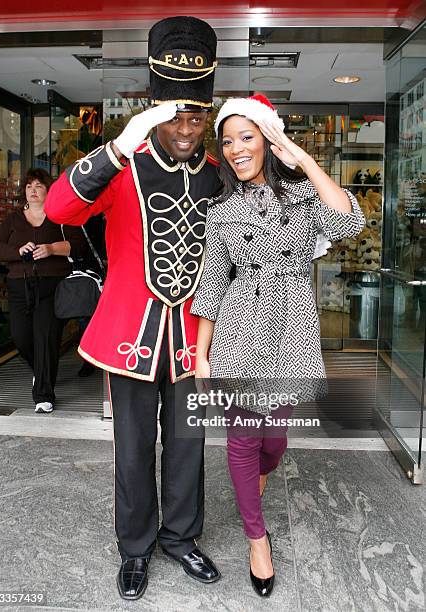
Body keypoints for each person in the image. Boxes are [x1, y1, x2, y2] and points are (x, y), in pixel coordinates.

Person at [45, 17, 221, 601]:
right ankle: (136, 547)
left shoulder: (219, 180)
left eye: (196, 115)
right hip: (131, 336)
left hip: (195, 339)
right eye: (173, 113)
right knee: (133, 448)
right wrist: (117, 146)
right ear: (151, 110)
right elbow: (59, 208)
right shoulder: (119, 166)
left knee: (189, 445)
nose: (186, 128)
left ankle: (181, 537)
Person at [191, 94, 366, 597]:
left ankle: (263, 474)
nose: (235, 149)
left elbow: (349, 221)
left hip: (292, 338)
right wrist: (201, 355)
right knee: (244, 440)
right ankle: (256, 538)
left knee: (275, 441)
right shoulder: (222, 210)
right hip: (238, 339)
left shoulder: (303, 200)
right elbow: (211, 285)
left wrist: (303, 158)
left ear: (268, 140)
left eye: (247, 137)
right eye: (227, 142)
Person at [0, 168, 86, 413]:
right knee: (21, 338)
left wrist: (52, 249)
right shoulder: (13, 219)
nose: (33, 190)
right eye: (29, 186)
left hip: (51, 286)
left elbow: (78, 246)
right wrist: (18, 251)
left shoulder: (60, 216)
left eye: (38, 186)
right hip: (19, 286)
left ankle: (44, 395)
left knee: (45, 337)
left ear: (48, 190)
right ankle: (40, 371)